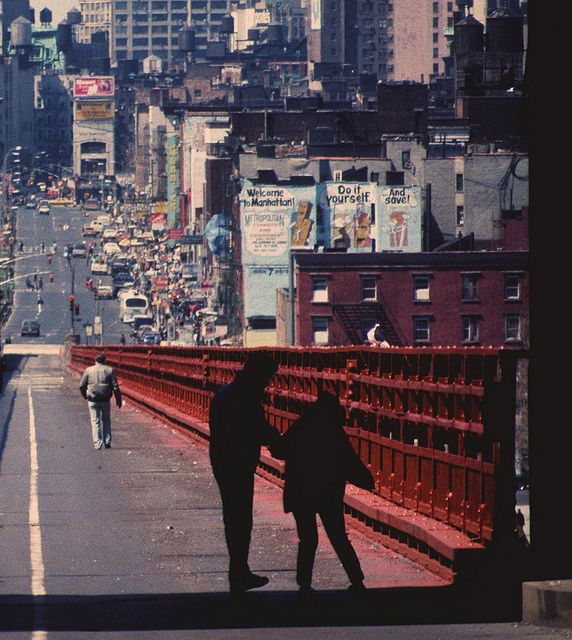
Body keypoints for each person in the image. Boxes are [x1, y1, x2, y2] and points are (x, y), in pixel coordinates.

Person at [272, 392, 374, 599]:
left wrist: (272, 438)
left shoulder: (302, 425)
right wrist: (366, 479)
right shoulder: (333, 430)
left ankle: (304, 584)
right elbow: (348, 460)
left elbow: (281, 450)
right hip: (328, 492)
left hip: (301, 492)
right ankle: (357, 580)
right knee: (338, 537)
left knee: (308, 539)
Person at [208, 352, 281, 594]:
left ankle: (238, 571)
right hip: (237, 464)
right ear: (257, 374)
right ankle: (239, 573)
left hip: (223, 461)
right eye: (266, 377)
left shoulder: (226, 394)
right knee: (240, 519)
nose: (267, 383)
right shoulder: (244, 398)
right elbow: (258, 429)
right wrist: (281, 441)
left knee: (234, 518)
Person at [79, 352, 122, 450]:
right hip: (105, 400)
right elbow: (115, 387)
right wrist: (118, 399)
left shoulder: (88, 370)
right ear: (104, 360)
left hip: (92, 399)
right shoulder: (110, 370)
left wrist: (85, 395)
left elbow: (81, 385)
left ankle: (97, 443)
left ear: (95, 360)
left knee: (95, 421)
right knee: (106, 420)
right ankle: (107, 441)